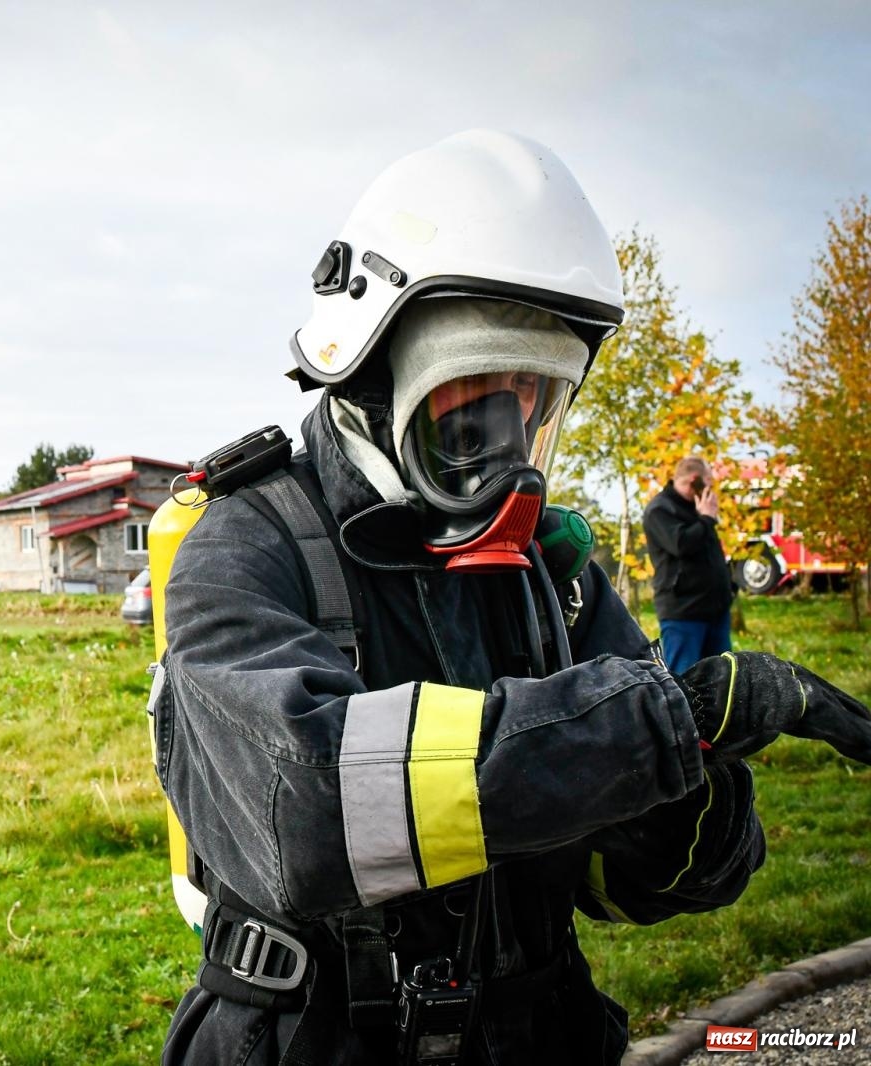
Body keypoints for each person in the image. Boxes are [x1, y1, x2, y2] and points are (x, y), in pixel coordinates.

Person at [154, 130, 871, 1066]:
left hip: (538, 1033)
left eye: (534, 398)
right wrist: (644, 730)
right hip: (313, 1039)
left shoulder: (550, 576)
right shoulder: (246, 543)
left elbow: (645, 881)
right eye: (477, 398)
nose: (512, 440)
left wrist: (694, 764)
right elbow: (306, 810)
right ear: (371, 370)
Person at [644, 456, 734, 674]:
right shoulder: (660, 510)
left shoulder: (697, 506)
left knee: (723, 677)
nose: (710, 488)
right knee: (684, 678)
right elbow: (681, 544)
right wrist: (706, 519)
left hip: (715, 609)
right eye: (708, 481)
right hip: (684, 612)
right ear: (695, 479)